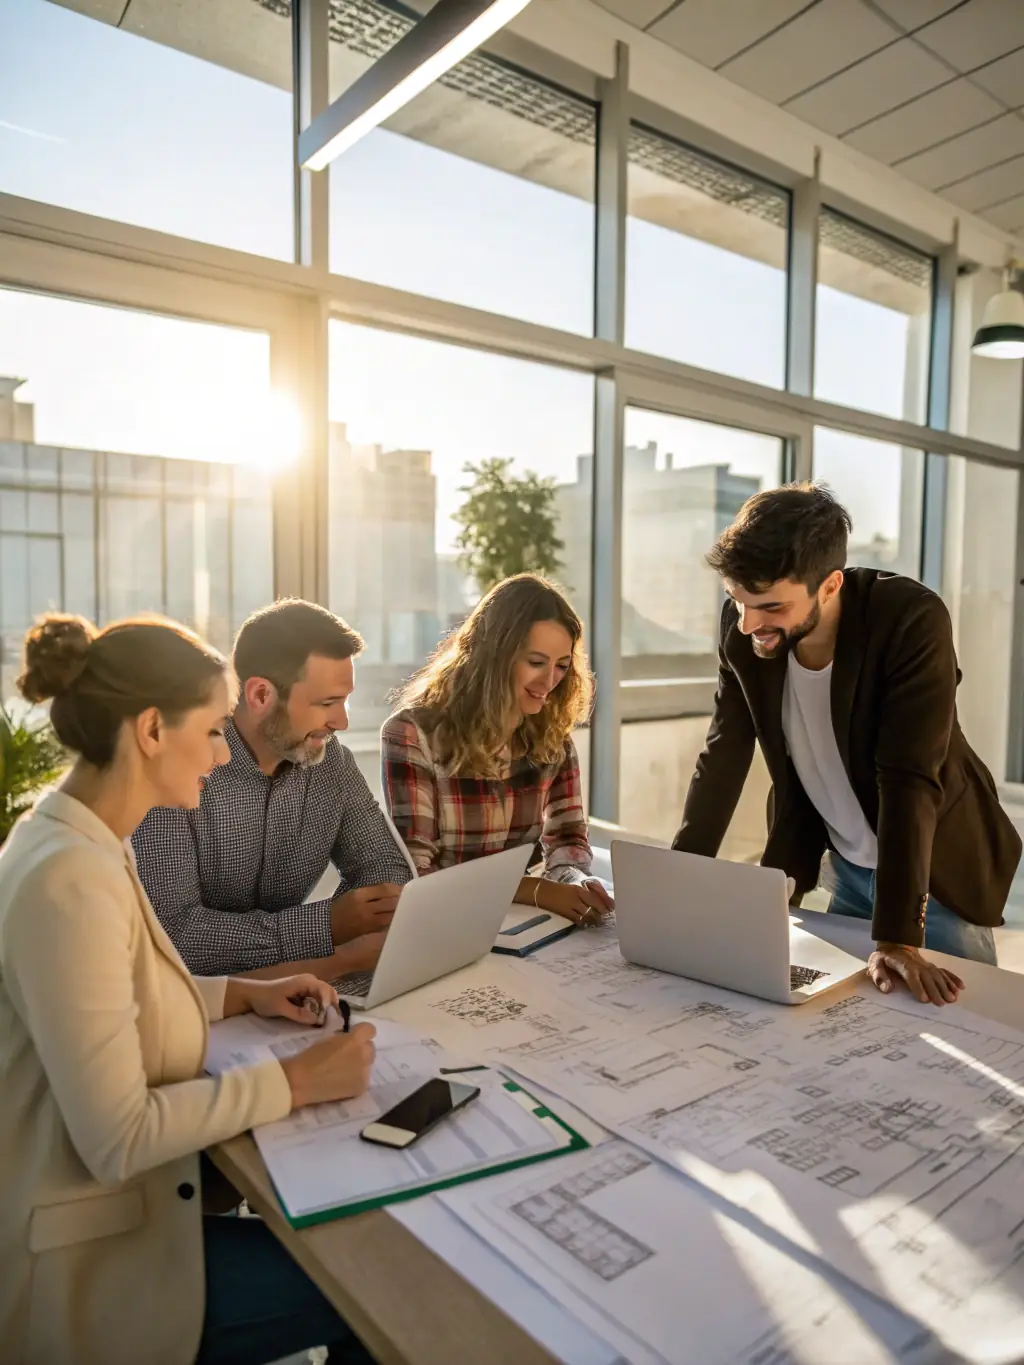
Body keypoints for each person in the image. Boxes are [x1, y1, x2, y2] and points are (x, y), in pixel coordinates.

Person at [0, 612, 379, 1365]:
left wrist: (241, 993)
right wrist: (292, 1083)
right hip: (88, 1265)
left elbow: (112, 995)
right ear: (149, 730)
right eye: (211, 730)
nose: (219, 752)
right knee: (372, 1282)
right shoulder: (68, 876)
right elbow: (120, 1137)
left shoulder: (83, 837)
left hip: (120, 1215)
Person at [671, 483, 1021, 1006]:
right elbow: (724, 751)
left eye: (770, 606)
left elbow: (909, 776)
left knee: (968, 1022)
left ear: (831, 585)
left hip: (931, 873)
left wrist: (899, 935)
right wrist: (679, 877)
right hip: (846, 867)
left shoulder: (909, 619)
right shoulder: (744, 625)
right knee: (856, 1020)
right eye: (736, 601)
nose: (748, 624)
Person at [134, 599, 413, 980]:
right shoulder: (178, 772)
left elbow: (384, 864)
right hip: (191, 1005)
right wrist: (325, 926)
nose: (342, 722)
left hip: (288, 993)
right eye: (328, 703)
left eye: (345, 701)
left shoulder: (333, 763)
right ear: (261, 695)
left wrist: (365, 912)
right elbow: (176, 936)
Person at [382, 574, 612, 925]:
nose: (550, 681)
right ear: (492, 656)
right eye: (536, 662)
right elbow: (416, 874)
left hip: (521, 925)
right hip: (442, 926)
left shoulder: (553, 737)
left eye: (562, 666)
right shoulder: (412, 734)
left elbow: (568, 840)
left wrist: (577, 882)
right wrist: (533, 889)